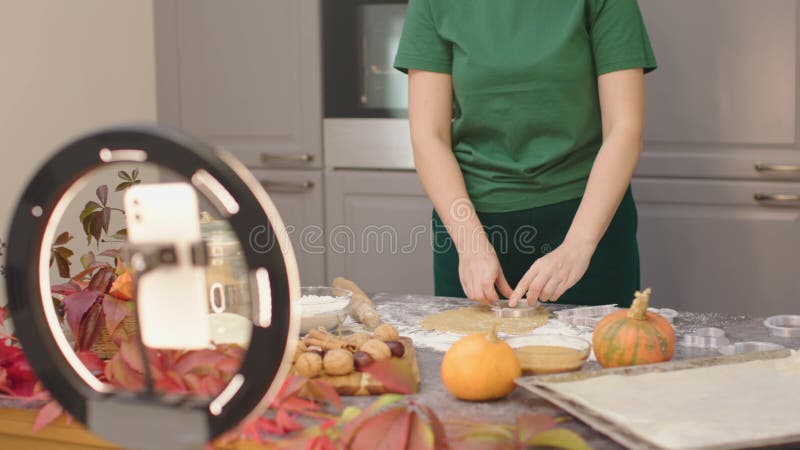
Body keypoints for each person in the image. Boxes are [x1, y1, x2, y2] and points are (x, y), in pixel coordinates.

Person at [394, 0, 656, 307]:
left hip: (588, 217)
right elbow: (429, 136)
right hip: (472, 223)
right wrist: (470, 243)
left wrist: (578, 245)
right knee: (472, 354)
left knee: (599, 354)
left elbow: (624, 128)